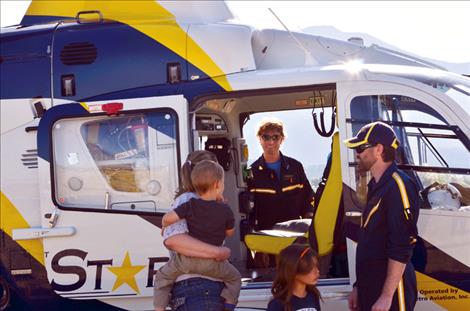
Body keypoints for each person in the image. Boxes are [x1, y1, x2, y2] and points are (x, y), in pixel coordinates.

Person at [344, 121, 419, 311]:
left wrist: (386, 296)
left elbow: (402, 244)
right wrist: (358, 287)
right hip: (372, 286)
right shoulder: (376, 185)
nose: (357, 154)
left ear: (378, 149)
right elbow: (370, 242)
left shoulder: (398, 185)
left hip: (392, 293)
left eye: (361, 148)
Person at [154, 160, 241, 311]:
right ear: (217, 185)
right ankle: (229, 305)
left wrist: (164, 225)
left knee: (162, 278)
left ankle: (159, 308)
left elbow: (168, 219)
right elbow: (230, 232)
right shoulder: (225, 210)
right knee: (235, 278)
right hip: (214, 265)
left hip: (185, 262)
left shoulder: (189, 205)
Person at [248, 118, 315, 230]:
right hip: (265, 234)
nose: (271, 142)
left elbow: (308, 197)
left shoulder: (295, 167)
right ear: (259, 139)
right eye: (266, 137)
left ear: (282, 139)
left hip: (294, 233)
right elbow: (248, 207)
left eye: (275, 137)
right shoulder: (251, 171)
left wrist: (309, 222)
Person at [267, 244, 321, 311]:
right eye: (310, 268)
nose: (317, 271)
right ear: (293, 270)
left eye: (316, 266)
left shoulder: (313, 296)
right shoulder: (277, 304)